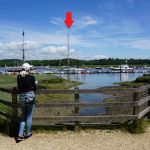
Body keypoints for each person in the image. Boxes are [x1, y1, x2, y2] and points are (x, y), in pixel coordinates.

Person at [16, 63, 36, 143]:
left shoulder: (19, 77)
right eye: (30, 69)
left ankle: (20, 135)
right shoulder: (31, 77)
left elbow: (19, 87)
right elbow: (34, 88)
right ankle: (27, 134)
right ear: (28, 69)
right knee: (29, 116)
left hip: (22, 97)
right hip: (30, 97)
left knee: (23, 116)